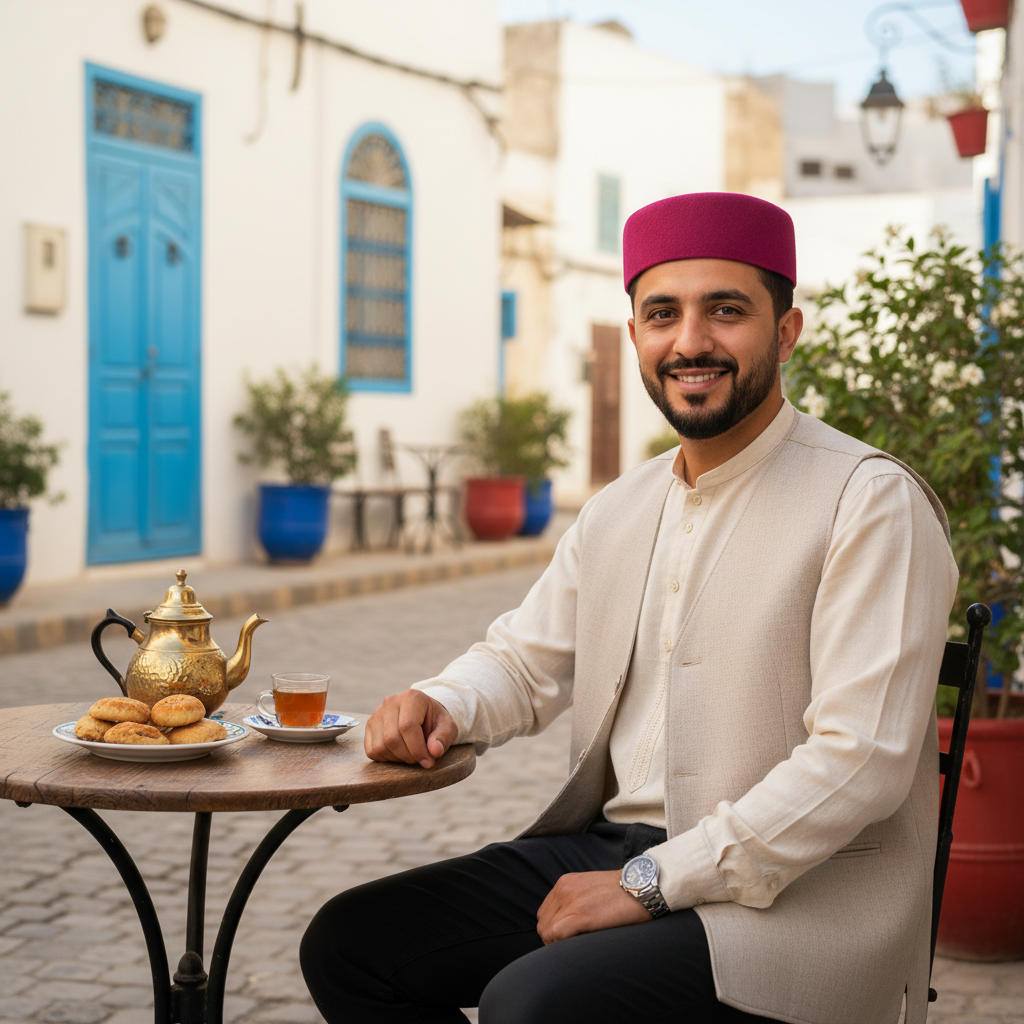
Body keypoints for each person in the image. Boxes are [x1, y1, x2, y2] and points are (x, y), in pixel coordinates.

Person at [300, 192, 958, 1024]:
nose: (691, 341)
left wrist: (650, 883)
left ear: (786, 332)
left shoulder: (869, 500)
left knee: (532, 1003)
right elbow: (524, 662)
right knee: (352, 944)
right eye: (662, 314)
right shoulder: (620, 506)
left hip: (798, 894)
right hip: (615, 849)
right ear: (636, 334)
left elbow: (861, 761)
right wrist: (444, 703)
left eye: (727, 311)